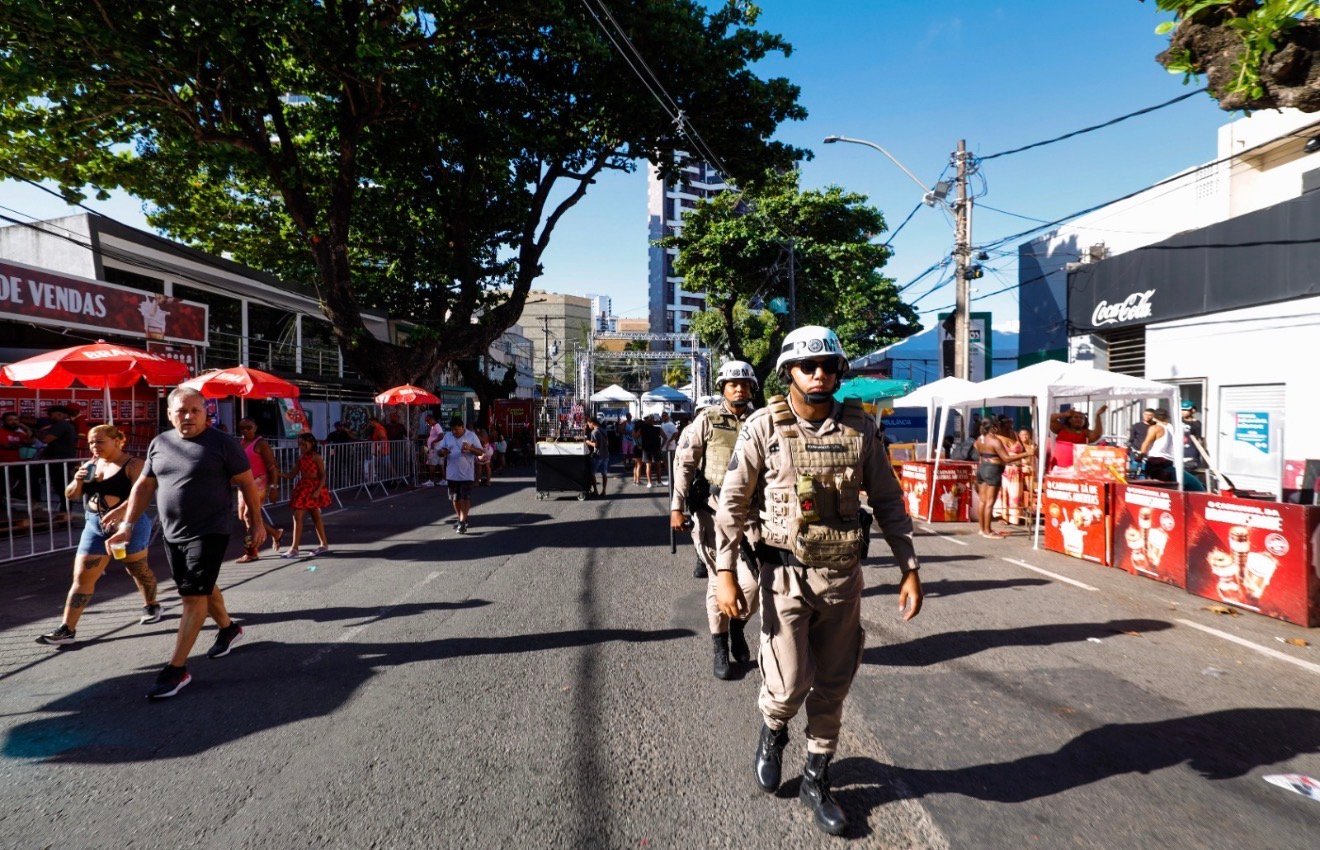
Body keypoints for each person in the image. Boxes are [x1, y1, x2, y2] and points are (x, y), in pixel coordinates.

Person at [713, 326, 922, 836]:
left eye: (829, 366)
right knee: (788, 686)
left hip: (843, 579)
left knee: (833, 684)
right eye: (808, 366)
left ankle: (816, 776)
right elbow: (732, 505)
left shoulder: (860, 428)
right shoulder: (763, 426)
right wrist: (725, 573)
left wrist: (909, 567)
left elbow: (888, 500)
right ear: (789, 372)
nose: (819, 374)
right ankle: (773, 730)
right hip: (784, 577)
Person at [106, 386, 266, 700]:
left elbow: (247, 483)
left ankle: (177, 668)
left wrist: (256, 522)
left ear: (206, 414)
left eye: (195, 410)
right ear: (170, 414)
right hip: (173, 532)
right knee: (199, 587)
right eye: (181, 411)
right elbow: (144, 486)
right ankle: (229, 628)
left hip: (211, 530)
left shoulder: (223, 443)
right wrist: (127, 525)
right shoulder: (160, 443)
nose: (189, 416)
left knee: (192, 597)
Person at [670, 360, 760, 679]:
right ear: (723, 388)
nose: (739, 389)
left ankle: (737, 626)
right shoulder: (706, 419)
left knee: (754, 583)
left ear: (752, 388)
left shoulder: (760, 421)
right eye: (733, 384)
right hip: (712, 513)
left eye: (745, 384)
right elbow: (684, 463)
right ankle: (720, 644)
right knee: (716, 580)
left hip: (752, 515)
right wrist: (677, 506)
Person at [35, 424, 161, 646]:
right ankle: (67, 629)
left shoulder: (134, 464)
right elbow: (71, 495)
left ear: (117, 441)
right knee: (82, 577)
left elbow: (144, 494)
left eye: (100, 441)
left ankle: (151, 604)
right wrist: (78, 480)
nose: (94, 446)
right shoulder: (91, 464)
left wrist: (121, 511)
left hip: (127, 526)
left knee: (137, 569)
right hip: (95, 526)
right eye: (91, 442)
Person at [236, 418, 284, 561]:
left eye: (249, 427)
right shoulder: (241, 443)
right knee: (243, 516)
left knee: (249, 515)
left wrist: (274, 487)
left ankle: (251, 551)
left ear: (255, 427)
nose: (245, 430)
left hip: (258, 482)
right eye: (242, 428)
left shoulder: (261, 443)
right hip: (244, 483)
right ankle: (275, 533)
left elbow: (273, 466)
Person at [975, 419, 1031, 539]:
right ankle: (988, 532)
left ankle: (982, 529)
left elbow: (977, 449)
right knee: (990, 502)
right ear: (994, 428)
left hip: (982, 468)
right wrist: (1027, 454)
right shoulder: (995, 441)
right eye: (998, 426)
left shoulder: (980, 439)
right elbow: (1006, 458)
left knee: (982, 501)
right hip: (992, 470)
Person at [280, 433, 332, 557]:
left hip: (313, 488)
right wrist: (278, 473)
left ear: (312, 443)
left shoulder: (316, 457)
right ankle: (321, 545)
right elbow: (292, 474)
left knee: (301, 516)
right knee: (310, 516)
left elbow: (323, 475)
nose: (301, 447)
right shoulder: (301, 458)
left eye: (304, 444)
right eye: (300, 445)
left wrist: (318, 490)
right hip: (303, 488)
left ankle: (296, 548)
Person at [438, 416, 482, 533]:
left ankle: (462, 522)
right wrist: (443, 452)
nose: (454, 432)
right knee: (455, 498)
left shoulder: (471, 436)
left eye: (457, 429)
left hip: (467, 474)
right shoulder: (448, 436)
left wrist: (471, 448)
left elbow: (481, 452)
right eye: (453, 429)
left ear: (463, 427)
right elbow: (440, 452)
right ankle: (461, 518)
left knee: (465, 497)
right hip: (452, 474)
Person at [1049, 404, 1107, 469]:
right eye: (1076, 417)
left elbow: (1097, 435)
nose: (1079, 419)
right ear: (1069, 420)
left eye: (1081, 418)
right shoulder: (1061, 428)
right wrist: (1064, 414)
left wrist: (1098, 416)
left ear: (1084, 422)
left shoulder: (1085, 432)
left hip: (1077, 466)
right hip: (1058, 465)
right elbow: (1050, 419)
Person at [1137, 408, 1177, 482]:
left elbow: (1146, 442)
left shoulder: (1155, 428)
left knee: (1153, 483)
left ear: (1154, 417)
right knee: (1165, 483)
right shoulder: (1171, 427)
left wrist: (1140, 456)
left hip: (1156, 459)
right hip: (1169, 460)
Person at [585, 416, 609, 496]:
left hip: (598, 455)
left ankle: (595, 490)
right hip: (605, 454)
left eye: (588, 424)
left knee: (592, 473)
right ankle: (604, 491)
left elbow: (595, 445)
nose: (588, 425)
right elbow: (607, 443)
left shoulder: (594, 432)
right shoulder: (603, 430)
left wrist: (588, 442)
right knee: (604, 474)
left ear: (592, 423)